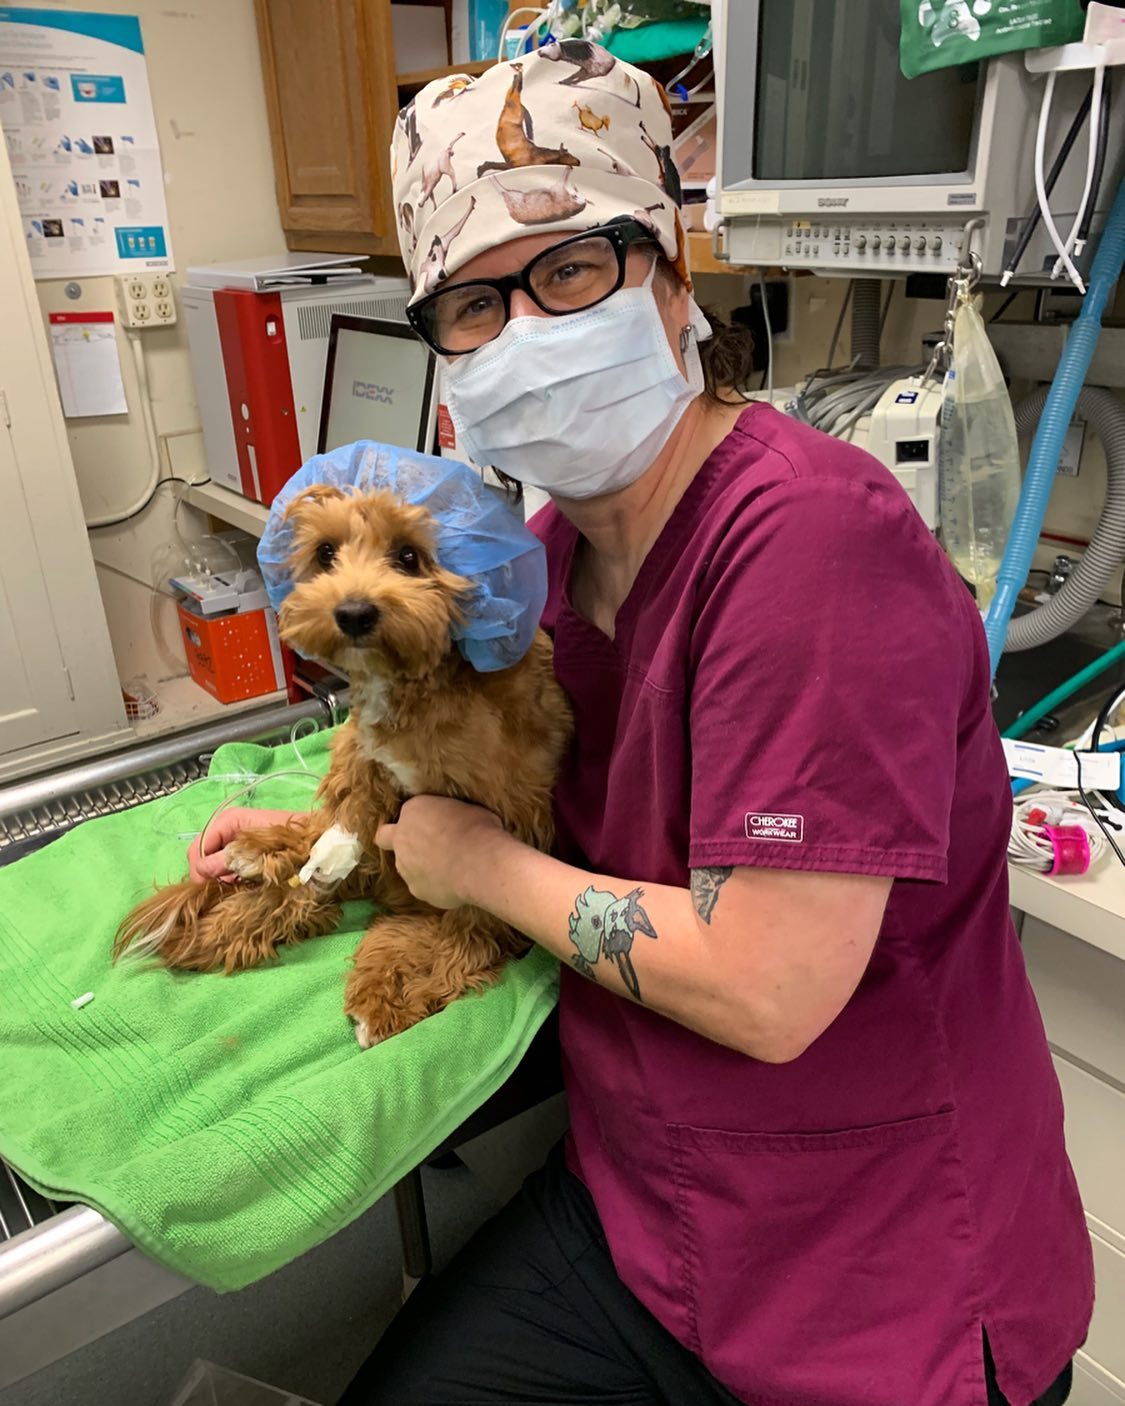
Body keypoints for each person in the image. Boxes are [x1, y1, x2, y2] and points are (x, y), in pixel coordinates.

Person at [196, 47, 1091, 1406]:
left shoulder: (809, 547)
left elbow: (765, 987)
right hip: (645, 1213)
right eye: (471, 305)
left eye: (566, 271)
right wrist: (317, 837)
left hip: (874, 1277)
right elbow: (507, 790)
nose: (522, 332)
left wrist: (468, 864)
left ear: (670, 276)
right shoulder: (544, 563)